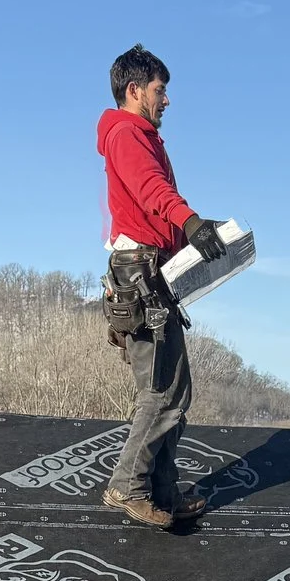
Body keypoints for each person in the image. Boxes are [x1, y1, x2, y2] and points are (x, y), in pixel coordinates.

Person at [96, 44, 231, 529]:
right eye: (160, 90)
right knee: (161, 392)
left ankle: (163, 490)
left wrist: (194, 229)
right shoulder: (128, 134)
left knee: (176, 389)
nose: (166, 100)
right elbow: (154, 193)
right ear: (135, 91)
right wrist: (191, 223)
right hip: (142, 275)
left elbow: (154, 203)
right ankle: (127, 485)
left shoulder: (138, 135)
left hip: (153, 271)